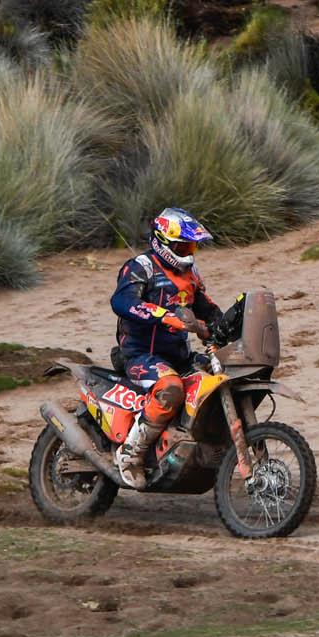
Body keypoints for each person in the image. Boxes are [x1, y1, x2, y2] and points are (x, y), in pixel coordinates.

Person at [109, 207, 222, 488]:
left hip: (178, 356)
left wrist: (228, 327)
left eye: (191, 245)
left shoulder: (190, 273)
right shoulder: (141, 267)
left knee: (217, 380)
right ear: (163, 241)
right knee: (171, 389)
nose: (188, 251)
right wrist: (164, 314)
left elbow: (206, 309)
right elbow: (122, 302)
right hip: (139, 355)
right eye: (183, 245)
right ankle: (130, 454)